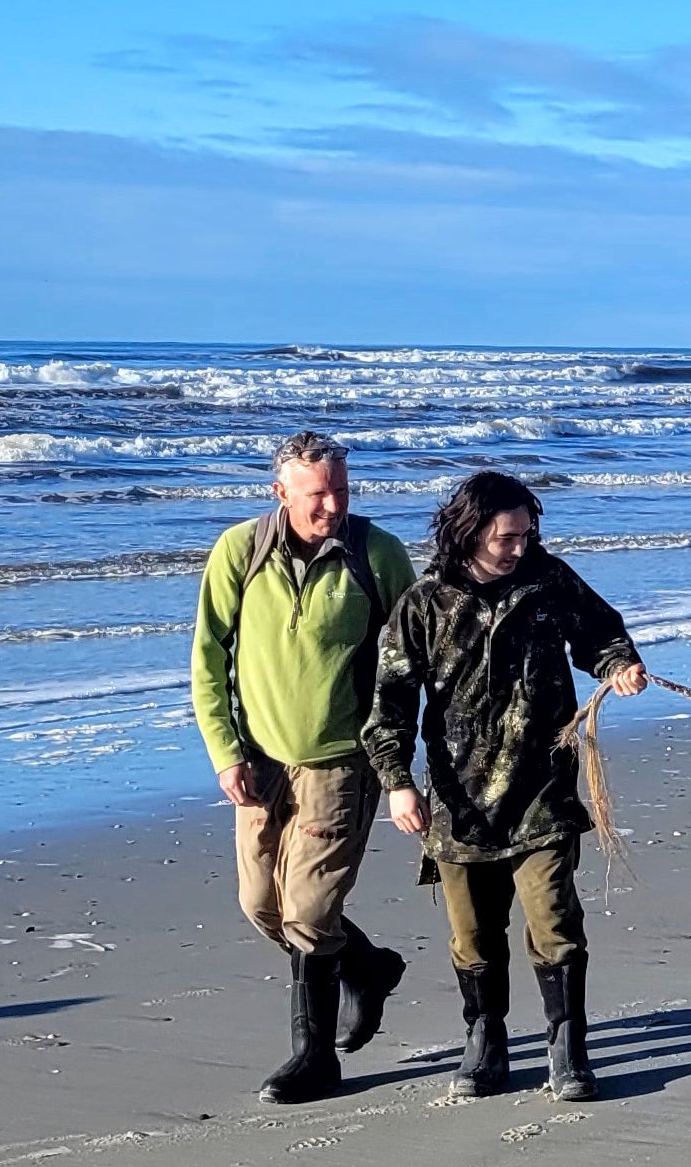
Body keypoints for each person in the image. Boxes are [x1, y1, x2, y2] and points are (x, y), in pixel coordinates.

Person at [364, 470, 646, 1102]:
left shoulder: (549, 582)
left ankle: (567, 1050)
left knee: (554, 921)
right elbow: (389, 706)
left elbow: (600, 633)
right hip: (457, 801)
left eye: (528, 532)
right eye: (507, 537)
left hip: (543, 788)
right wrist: (396, 783)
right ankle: (485, 1041)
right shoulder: (423, 604)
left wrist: (619, 664)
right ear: (469, 532)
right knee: (473, 936)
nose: (521, 546)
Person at [190, 430, 418, 1104]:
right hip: (259, 762)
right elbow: (208, 660)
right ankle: (369, 967)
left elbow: (413, 661)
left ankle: (314, 1059)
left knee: (311, 913)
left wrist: (401, 764)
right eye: (317, 493)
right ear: (280, 491)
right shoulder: (240, 550)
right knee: (261, 905)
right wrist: (225, 752)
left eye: (341, 490)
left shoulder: (377, 555)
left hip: (343, 762)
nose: (332, 505)